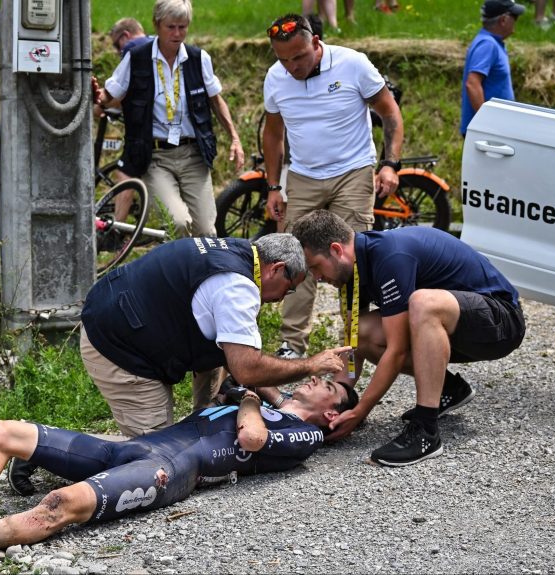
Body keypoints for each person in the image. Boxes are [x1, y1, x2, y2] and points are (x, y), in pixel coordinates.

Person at [0, 377, 359, 572]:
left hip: (170, 470)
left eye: (331, 387)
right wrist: (256, 387)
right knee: (4, 430)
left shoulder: (306, 434)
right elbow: (230, 379)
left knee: (64, 504)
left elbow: (251, 438)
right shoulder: (261, 399)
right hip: (136, 446)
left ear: (332, 414)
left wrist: (251, 396)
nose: (320, 379)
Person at [291, 210, 526, 467]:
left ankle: (426, 432)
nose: (317, 278)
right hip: (455, 328)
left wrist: (362, 411)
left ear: (336, 250)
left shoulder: (389, 255)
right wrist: (342, 397)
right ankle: (449, 389)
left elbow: (397, 350)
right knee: (363, 331)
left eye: (314, 266)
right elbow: (353, 345)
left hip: (501, 321)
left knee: (423, 303)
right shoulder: (350, 272)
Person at [81, 233, 349, 439]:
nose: (281, 298)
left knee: (180, 435)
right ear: (276, 268)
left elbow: (229, 353)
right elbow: (247, 370)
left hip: (118, 310)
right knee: (156, 453)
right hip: (117, 344)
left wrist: (277, 401)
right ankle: (43, 445)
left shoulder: (237, 250)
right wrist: (311, 364)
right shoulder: (236, 287)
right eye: (289, 289)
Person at [262, 13, 404, 361]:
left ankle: (354, 341)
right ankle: (292, 343)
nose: (292, 67)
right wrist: (272, 186)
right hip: (304, 176)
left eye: (298, 57)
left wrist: (390, 164)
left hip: (352, 172)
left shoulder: (353, 64)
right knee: (294, 256)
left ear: (315, 43)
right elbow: (273, 133)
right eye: (284, 59)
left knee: (351, 259)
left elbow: (390, 113)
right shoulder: (276, 77)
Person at [94, 0, 245, 238]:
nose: (177, 34)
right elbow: (112, 95)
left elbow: (216, 100)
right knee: (178, 223)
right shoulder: (137, 57)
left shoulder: (198, 58)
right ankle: (180, 272)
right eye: (171, 27)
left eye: (183, 27)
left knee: (206, 230)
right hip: (155, 157)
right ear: (157, 25)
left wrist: (235, 138)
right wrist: (98, 98)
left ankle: (201, 272)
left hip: (193, 155)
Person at [460, 0, 525, 137]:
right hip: (487, 134)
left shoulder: (490, 42)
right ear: (503, 20)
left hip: (492, 131)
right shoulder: (487, 45)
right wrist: (485, 124)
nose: (516, 21)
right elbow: (472, 84)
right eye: (515, 17)